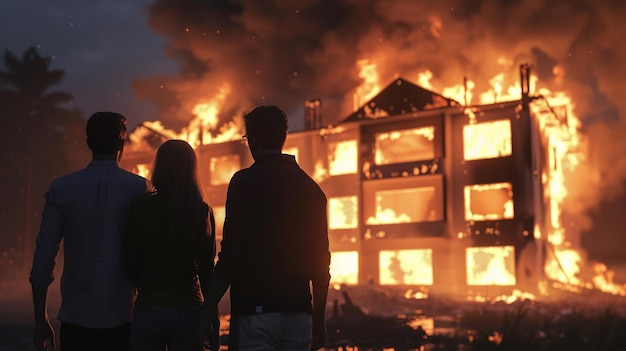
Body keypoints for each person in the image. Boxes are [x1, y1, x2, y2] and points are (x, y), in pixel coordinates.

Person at [206, 105, 331, 351]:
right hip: (298, 316)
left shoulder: (244, 183)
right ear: (282, 137)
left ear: (252, 140)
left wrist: (207, 308)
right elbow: (320, 263)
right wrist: (318, 319)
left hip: (255, 314)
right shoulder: (312, 189)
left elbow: (231, 254)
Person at [29, 111, 151, 351]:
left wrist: (40, 319)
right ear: (121, 143)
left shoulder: (62, 188)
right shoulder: (139, 188)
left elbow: (43, 258)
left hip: (77, 318)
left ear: (88, 143)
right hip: (124, 316)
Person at [124, 139, 220, 351]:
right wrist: (211, 316)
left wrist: (147, 286)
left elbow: (131, 260)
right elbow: (206, 270)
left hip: (148, 307)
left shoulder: (140, 207)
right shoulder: (200, 211)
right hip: (187, 308)